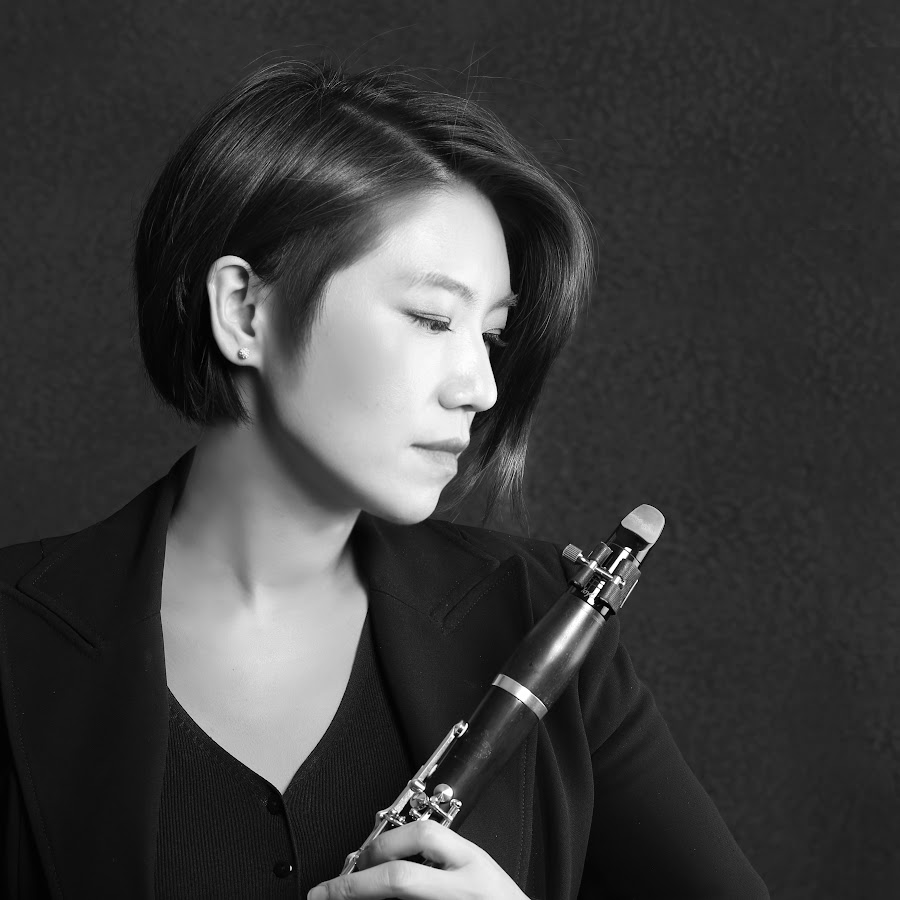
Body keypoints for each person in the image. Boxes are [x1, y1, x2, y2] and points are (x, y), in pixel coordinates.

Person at [0, 59, 769, 899]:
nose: (481, 387)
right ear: (244, 312)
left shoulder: (541, 614)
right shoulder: (15, 637)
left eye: (492, 335)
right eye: (432, 318)